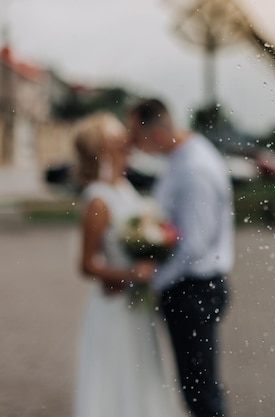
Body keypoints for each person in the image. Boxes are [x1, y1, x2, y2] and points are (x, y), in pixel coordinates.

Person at [127, 98, 235, 417]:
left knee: (200, 391)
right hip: (189, 288)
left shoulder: (194, 169)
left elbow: (193, 245)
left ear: (157, 134)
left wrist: (154, 279)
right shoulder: (181, 158)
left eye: (136, 135)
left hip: (194, 291)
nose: (133, 144)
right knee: (195, 385)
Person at [72, 112, 176, 417]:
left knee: (140, 375)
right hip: (114, 306)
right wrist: (129, 273)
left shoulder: (125, 189)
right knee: (115, 380)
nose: (125, 136)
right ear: (101, 146)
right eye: (116, 132)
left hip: (136, 304)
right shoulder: (98, 199)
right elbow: (86, 264)